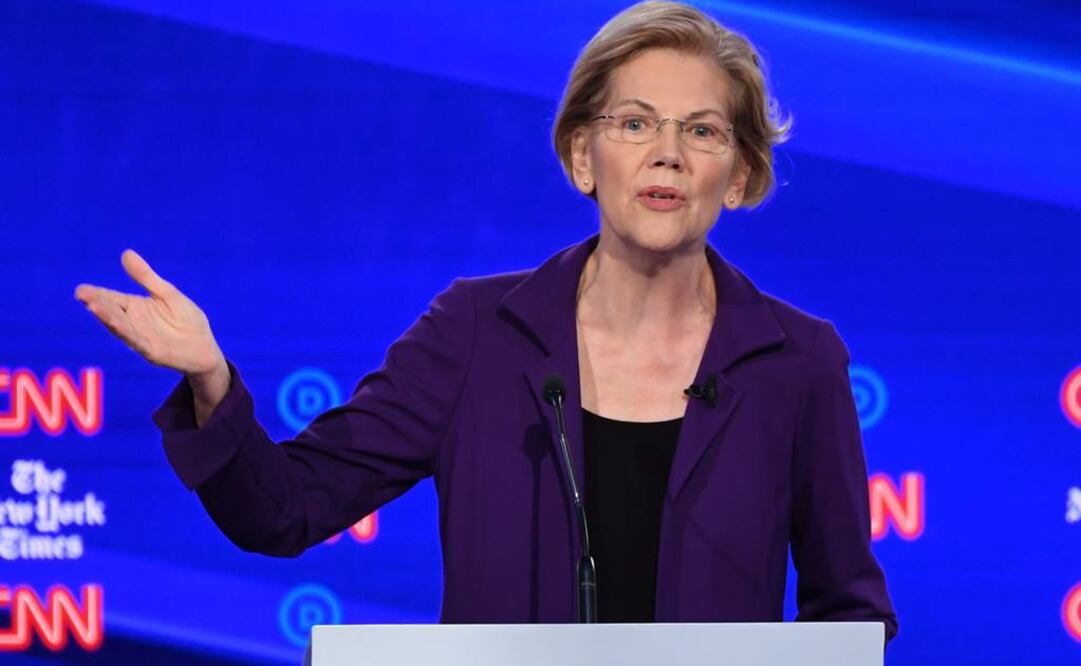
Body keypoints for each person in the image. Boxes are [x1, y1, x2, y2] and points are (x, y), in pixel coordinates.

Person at [75, 0, 897, 641]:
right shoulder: (477, 331)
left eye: (702, 131)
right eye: (635, 123)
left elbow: (848, 614)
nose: (667, 154)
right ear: (582, 156)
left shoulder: (797, 362)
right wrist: (212, 380)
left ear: (742, 176)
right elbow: (284, 508)